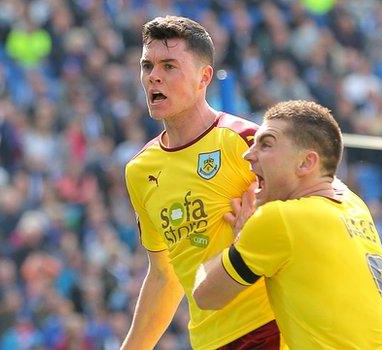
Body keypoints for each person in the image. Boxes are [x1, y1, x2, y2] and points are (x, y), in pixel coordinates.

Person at [192, 100, 382, 348]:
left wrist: (241, 236)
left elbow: (205, 295)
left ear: (306, 163)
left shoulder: (279, 219)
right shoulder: (355, 205)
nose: (248, 154)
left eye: (266, 145)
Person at [122, 16, 279, 349]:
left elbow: (316, 213)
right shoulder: (140, 170)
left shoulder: (245, 141)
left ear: (203, 77)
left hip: (272, 326)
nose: (154, 77)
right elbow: (164, 275)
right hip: (209, 340)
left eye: (169, 66)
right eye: (147, 66)